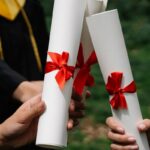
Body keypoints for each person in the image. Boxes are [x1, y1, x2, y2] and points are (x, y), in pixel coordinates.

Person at [0, 0, 86, 149]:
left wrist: (59, 88)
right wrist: (21, 87)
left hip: (37, 114)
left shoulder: (29, 4)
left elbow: (49, 52)